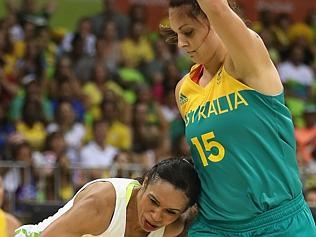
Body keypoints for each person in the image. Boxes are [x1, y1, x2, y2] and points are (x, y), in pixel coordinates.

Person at [160, 0, 316, 236]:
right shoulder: (184, 90)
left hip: (278, 223)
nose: (181, 43)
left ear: (213, 22)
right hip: (215, 226)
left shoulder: (248, 60)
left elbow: (218, 7)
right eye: (176, 34)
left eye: (188, 32)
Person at [15, 157, 201, 237]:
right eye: (153, 201)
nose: (156, 216)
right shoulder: (102, 202)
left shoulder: (173, 229)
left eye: (170, 212)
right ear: (144, 183)